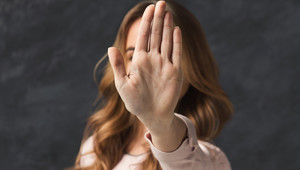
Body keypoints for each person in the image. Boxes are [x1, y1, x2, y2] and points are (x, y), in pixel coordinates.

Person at [74, 0, 233, 169]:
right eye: (132, 56)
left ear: (194, 67)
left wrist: (160, 123)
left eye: (164, 57)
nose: (143, 69)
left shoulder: (211, 161)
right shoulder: (96, 147)